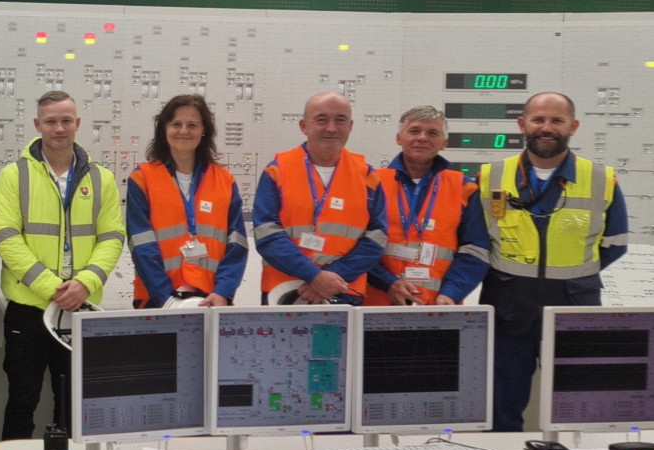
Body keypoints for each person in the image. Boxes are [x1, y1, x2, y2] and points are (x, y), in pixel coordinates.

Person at [0, 89, 125, 450]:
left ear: (78, 124)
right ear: (37, 126)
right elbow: (5, 236)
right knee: (22, 400)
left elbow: (112, 236)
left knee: (71, 403)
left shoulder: (101, 179)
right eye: (50, 121)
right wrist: (51, 286)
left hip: (80, 312)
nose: (59, 128)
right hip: (29, 309)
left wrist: (85, 282)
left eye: (66, 120)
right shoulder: (15, 175)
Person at [479, 92, 628, 431]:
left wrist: (573, 273)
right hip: (508, 308)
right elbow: (477, 241)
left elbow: (615, 245)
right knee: (501, 408)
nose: (546, 128)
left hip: (573, 308)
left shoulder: (602, 179)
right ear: (522, 124)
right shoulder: (490, 176)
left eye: (557, 120)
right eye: (538, 119)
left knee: (578, 407)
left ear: (573, 126)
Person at [251, 91, 387, 306]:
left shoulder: (367, 177)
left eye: (340, 120)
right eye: (321, 120)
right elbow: (266, 233)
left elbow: (377, 238)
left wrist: (332, 277)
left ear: (350, 126)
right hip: (285, 293)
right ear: (304, 126)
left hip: (344, 292)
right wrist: (314, 276)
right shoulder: (277, 171)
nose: (331, 128)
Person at [127, 93, 247, 311]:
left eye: (192, 125)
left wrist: (223, 291)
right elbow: (141, 244)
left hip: (211, 298)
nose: (184, 131)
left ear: (204, 131)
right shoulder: (142, 178)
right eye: (176, 124)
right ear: (164, 130)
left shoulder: (225, 181)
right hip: (156, 299)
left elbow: (237, 243)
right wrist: (166, 298)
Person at [365, 105, 490, 307]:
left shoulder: (464, 188)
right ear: (399, 138)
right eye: (414, 131)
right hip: (378, 303)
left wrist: (451, 293)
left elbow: (475, 250)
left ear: (444, 143)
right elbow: (356, 244)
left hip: (439, 307)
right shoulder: (373, 183)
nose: (422, 138)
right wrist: (388, 283)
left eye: (432, 133)